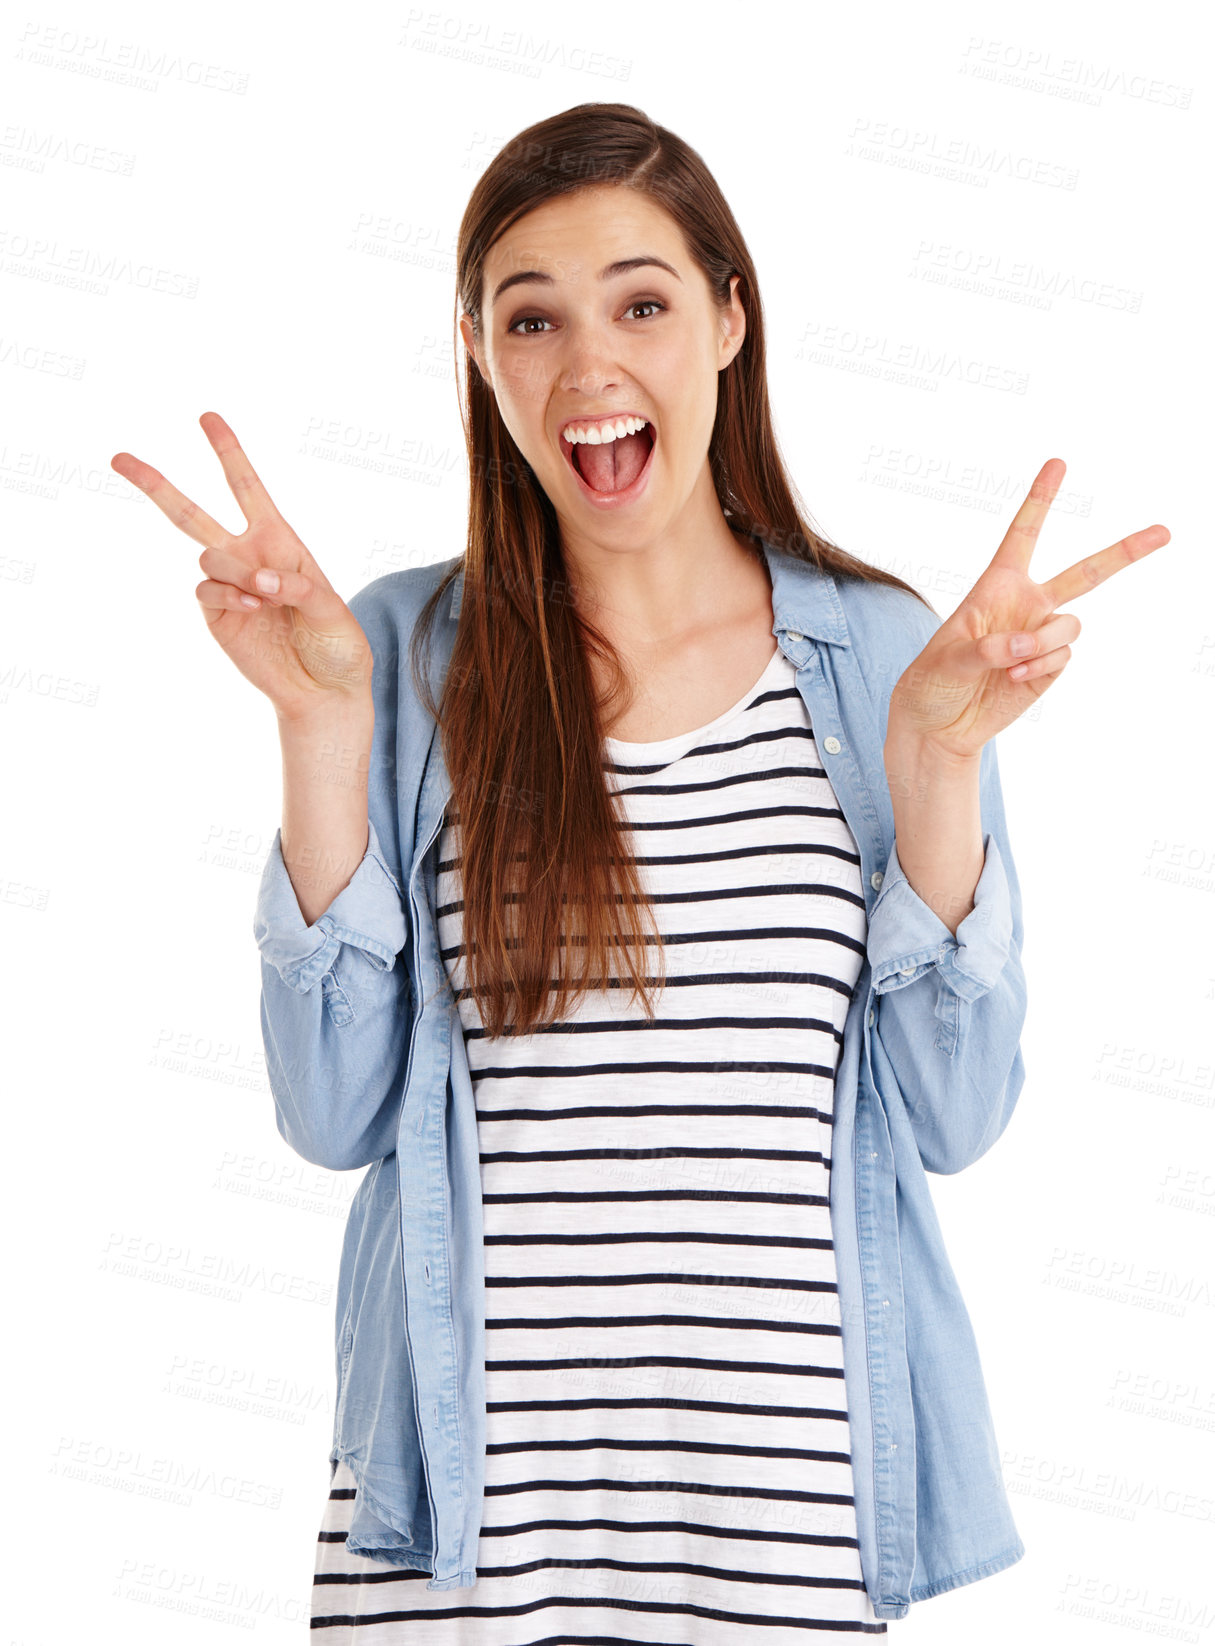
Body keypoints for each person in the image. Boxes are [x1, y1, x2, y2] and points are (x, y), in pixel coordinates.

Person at [111, 102, 1168, 1641]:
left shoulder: (883, 658)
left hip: (780, 1532)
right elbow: (330, 1112)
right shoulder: (400, 652)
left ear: (732, 319)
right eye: (530, 314)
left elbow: (954, 1115)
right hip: (464, 1541)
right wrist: (320, 727)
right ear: (476, 349)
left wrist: (937, 770)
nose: (588, 364)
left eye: (643, 302)